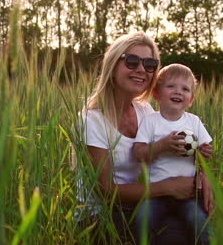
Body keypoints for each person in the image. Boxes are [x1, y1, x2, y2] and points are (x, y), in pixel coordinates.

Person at [77, 31, 214, 244]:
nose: (141, 69)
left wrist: (203, 176)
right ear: (113, 66)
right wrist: (169, 187)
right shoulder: (91, 120)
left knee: (191, 230)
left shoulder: (146, 112)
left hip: (144, 201)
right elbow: (106, 192)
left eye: (149, 64)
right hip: (102, 215)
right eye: (131, 61)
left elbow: (189, 149)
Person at [133, 63, 213, 244]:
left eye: (185, 89)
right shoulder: (150, 121)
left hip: (188, 195)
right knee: (142, 218)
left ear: (191, 99)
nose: (178, 92)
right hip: (155, 194)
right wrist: (163, 146)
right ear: (156, 94)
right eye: (171, 86)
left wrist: (204, 152)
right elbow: (138, 153)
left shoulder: (194, 121)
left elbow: (205, 153)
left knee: (200, 221)